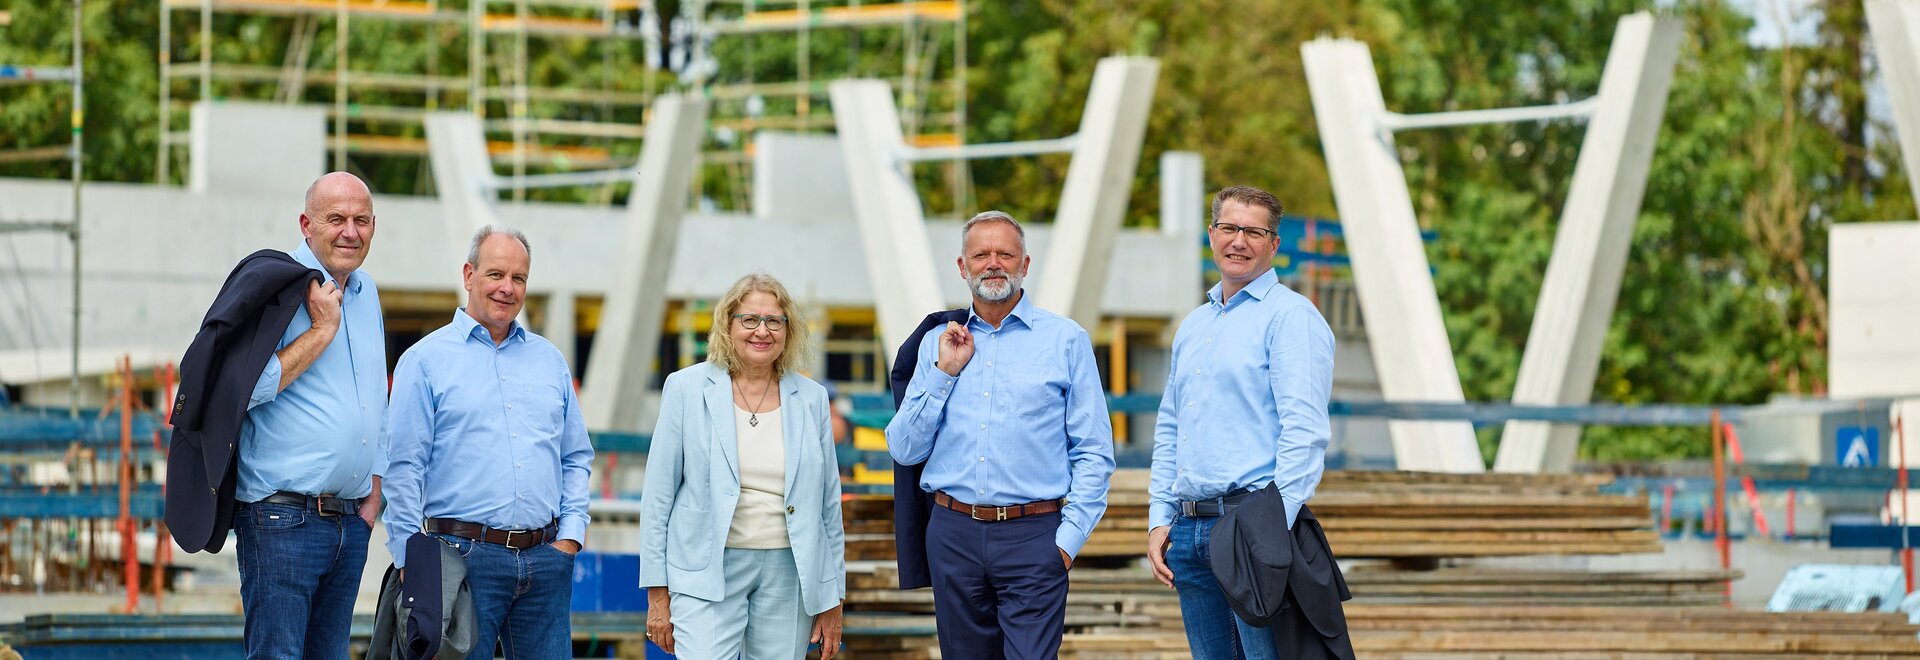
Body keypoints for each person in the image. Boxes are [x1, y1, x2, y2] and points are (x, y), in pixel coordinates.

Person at [884, 210, 1116, 660]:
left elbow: (1094, 452)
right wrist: (943, 373)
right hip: (953, 533)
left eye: (1005, 254)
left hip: (1035, 536)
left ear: (1024, 265)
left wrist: (1065, 545)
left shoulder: (1066, 341)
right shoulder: (936, 341)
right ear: (962, 266)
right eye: (981, 254)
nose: (993, 263)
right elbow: (904, 448)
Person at [1145, 186, 1350, 659]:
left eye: (1254, 231)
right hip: (1189, 530)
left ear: (1273, 244)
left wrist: (1271, 531)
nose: (1240, 241)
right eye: (1230, 228)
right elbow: (1171, 427)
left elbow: (1306, 431)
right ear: (1212, 235)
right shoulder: (1194, 325)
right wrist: (1160, 519)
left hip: (1251, 527)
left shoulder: (1291, 317)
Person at [381, 226, 596, 659]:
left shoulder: (549, 360)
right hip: (461, 562)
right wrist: (410, 560)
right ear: (468, 274)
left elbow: (575, 457)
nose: (507, 288)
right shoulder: (424, 361)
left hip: (546, 562)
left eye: (518, 278)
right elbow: (403, 468)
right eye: (496, 274)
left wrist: (570, 538)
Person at [206, 171, 389, 660]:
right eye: (336, 219)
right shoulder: (278, 287)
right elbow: (238, 391)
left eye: (361, 220)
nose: (350, 231)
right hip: (281, 517)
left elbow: (374, 399)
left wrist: (374, 490)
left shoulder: (367, 293)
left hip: (349, 523)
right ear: (306, 224)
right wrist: (321, 332)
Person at [639, 273, 847, 659]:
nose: (761, 331)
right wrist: (657, 594)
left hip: (789, 573)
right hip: (704, 569)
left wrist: (831, 593)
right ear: (728, 324)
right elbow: (657, 497)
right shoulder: (685, 389)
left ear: (788, 329)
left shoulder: (812, 398)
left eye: (774, 321)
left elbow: (827, 506)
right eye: (749, 319)